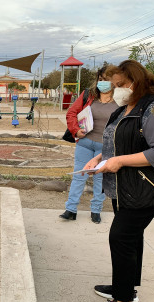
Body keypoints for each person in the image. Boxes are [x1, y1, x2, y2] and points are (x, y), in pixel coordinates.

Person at [85, 60, 154, 302]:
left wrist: (119, 162)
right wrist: (99, 159)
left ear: (136, 82)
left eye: (120, 85)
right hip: (127, 187)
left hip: (147, 188)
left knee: (121, 237)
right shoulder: (123, 109)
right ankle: (125, 289)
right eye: (114, 85)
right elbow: (114, 143)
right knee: (129, 239)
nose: (115, 90)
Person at [59, 66, 118, 223]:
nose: (102, 82)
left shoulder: (121, 100)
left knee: (100, 180)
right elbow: (72, 112)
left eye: (106, 79)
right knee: (79, 176)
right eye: (100, 79)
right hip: (85, 143)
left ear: (115, 81)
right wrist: (76, 130)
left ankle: (96, 210)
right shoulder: (89, 95)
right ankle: (71, 209)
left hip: (105, 147)